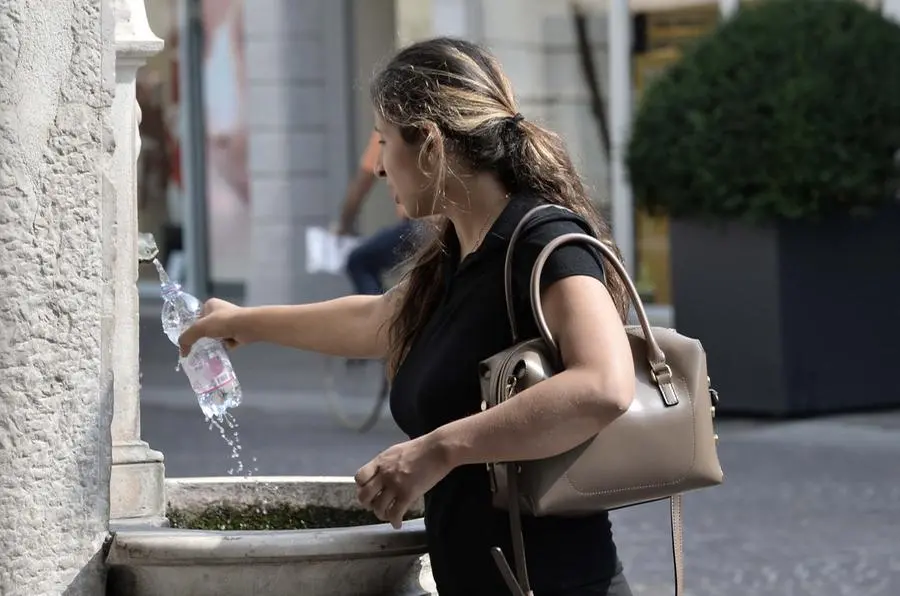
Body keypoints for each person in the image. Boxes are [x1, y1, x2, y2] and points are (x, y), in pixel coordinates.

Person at [179, 37, 636, 595]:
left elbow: (604, 385)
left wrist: (437, 448)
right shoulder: (460, 253)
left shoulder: (546, 240)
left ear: (430, 145)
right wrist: (245, 321)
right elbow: (376, 320)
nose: (377, 168)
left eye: (383, 141)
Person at [337, 130, 418, 295]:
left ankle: (381, 318)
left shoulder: (387, 129)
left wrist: (344, 226)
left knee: (359, 262)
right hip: (430, 223)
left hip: (419, 225)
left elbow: (360, 187)